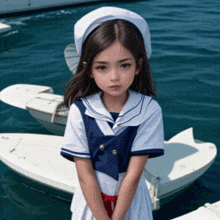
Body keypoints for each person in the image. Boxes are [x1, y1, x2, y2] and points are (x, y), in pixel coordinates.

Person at [61, 6, 164, 220]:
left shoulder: (149, 110)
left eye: (124, 65)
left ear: (139, 65)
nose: (114, 77)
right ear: (88, 69)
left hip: (132, 203)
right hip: (91, 205)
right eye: (102, 67)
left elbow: (133, 176)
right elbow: (85, 176)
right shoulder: (80, 111)